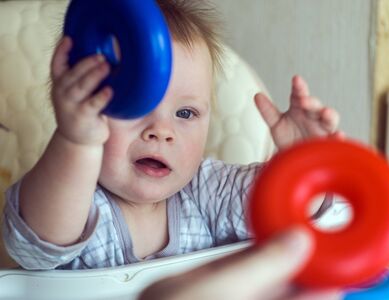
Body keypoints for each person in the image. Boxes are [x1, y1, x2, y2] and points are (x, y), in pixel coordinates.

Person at [2, 0, 342, 270]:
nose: (161, 132)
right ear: (85, 110)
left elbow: (284, 216)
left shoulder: (208, 193)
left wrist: (302, 163)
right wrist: (76, 140)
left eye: (185, 113)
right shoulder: (79, 200)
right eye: (136, 107)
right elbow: (36, 248)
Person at [139, 228, 342, 300]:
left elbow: (268, 202)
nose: (161, 130)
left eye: (185, 126)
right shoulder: (104, 214)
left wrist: (303, 156)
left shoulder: (208, 186)